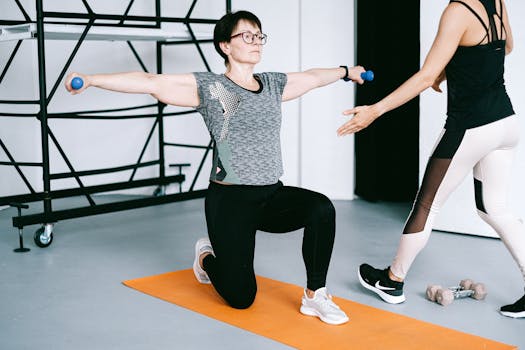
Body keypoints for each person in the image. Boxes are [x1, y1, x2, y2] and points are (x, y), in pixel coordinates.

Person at [66, 10, 366, 325]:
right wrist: (91, 80)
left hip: (270, 195)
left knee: (321, 208)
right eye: (247, 36)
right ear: (225, 45)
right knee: (241, 298)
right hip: (231, 201)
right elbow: (151, 82)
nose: (256, 42)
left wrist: (347, 71)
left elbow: (312, 77)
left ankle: (315, 296)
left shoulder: (273, 85)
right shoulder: (213, 88)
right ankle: (207, 257)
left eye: (259, 36)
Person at [337, 0, 525, 318]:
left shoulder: (457, 10)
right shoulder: (496, 2)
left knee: (426, 205)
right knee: (496, 209)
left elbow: (426, 77)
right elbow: (505, 46)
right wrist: (454, 68)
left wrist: (374, 110)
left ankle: (392, 280)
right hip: (505, 124)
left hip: (470, 126)